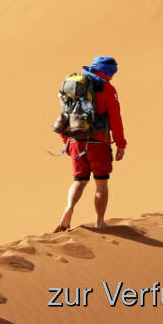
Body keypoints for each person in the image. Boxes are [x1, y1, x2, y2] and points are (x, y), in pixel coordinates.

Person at [56, 56, 127, 231]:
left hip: (75, 141)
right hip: (97, 143)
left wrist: (66, 141)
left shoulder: (75, 86)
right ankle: (100, 221)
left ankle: (69, 208)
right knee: (101, 183)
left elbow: (65, 114)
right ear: (108, 73)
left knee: (79, 181)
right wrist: (121, 144)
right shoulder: (107, 89)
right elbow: (115, 119)